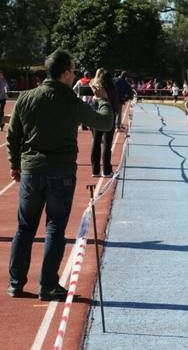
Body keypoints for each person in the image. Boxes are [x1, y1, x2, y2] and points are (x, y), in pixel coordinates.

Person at [6, 49, 113, 300]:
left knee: (25, 227)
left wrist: (14, 163)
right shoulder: (71, 101)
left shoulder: (26, 97)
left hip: (31, 169)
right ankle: (48, 285)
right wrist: (104, 99)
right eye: (73, 70)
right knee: (55, 227)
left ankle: (15, 282)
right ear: (65, 73)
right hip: (60, 172)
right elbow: (105, 123)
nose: (74, 73)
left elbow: (13, 135)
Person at [90, 70, 120, 178]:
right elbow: (115, 104)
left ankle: (95, 170)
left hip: (96, 116)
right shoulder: (112, 89)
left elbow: (90, 102)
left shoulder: (95, 87)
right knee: (107, 144)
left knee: (96, 142)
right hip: (108, 117)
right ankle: (107, 171)